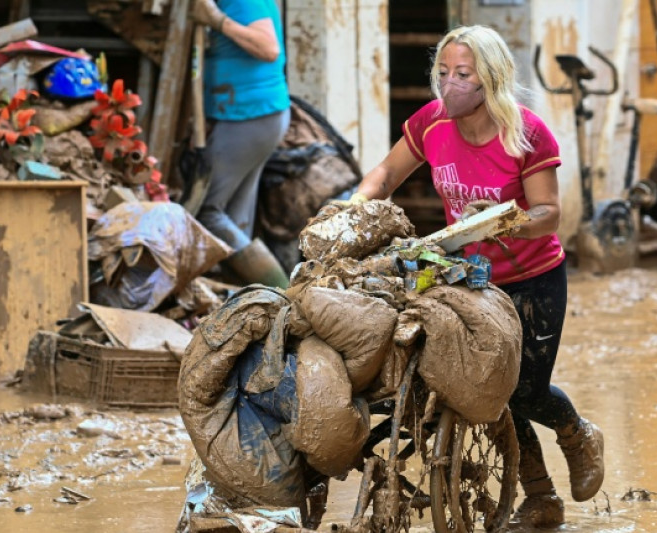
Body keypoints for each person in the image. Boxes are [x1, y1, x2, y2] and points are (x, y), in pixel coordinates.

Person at [352, 25, 604, 527]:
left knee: (526, 390)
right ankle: (541, 497)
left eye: (463, 74)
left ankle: (576, 432)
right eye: (443, 72)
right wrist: (353, 208)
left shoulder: (526, 134)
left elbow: (550, 215)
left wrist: (503, 220)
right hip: (474, 280)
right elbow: (385, 175)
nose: (450, 84)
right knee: (485, 392)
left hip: (533, 278)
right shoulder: (432, 123)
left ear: (490, 78)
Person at [189, 0, 290, 288]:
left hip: (248, 115)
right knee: (235, 217)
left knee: (207, 212)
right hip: (256, 115)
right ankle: (253, 300)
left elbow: (268, 48)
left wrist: (217, 21)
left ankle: (283, 293)